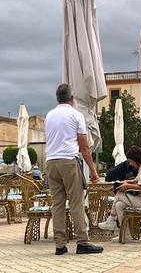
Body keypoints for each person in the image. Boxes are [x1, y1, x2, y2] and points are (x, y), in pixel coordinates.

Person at [44, 84, 103, 255]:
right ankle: (82, 241)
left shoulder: (49, 115)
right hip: (68, 161)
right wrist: (93, 170)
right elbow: (84, 147)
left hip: (51, 162)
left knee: (58, 204)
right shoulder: (76, 115)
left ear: (58, 99)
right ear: (72, 98)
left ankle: (60, 244)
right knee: (76, 202)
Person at [98, 146, 141, 232]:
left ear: (136, 159)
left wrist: (127, 186)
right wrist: (126, 182)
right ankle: (125, 234)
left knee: (119, 193)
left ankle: (111, 220)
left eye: (130, 162)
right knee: (119, 205)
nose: (130, 164)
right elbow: (137, 181)